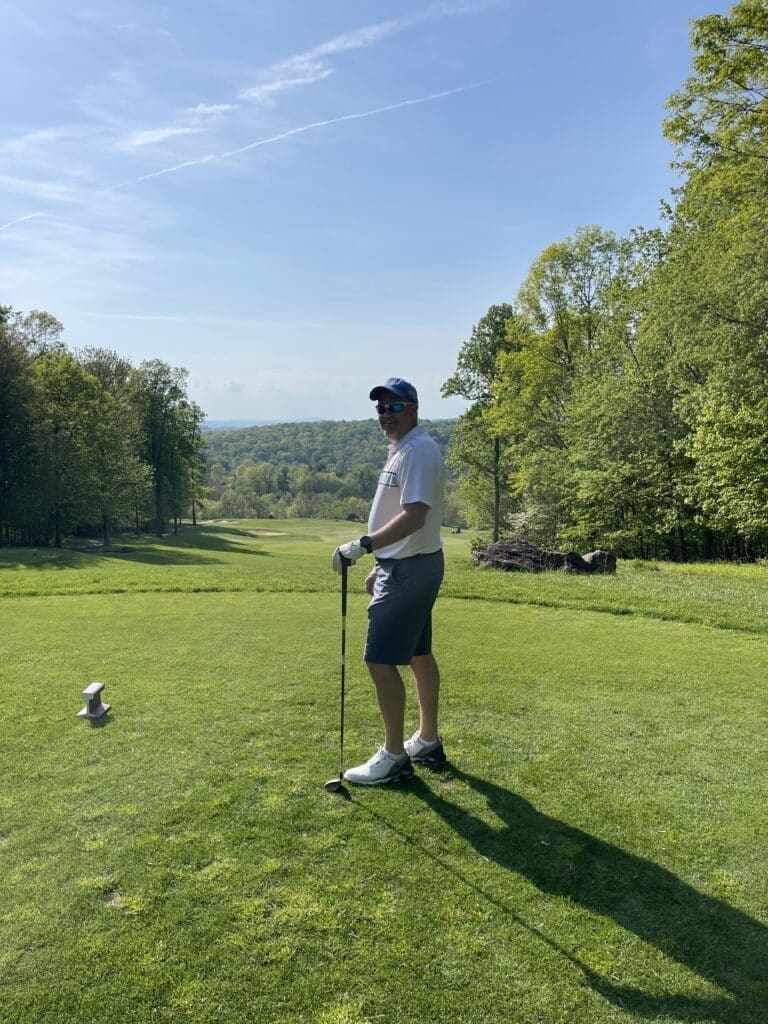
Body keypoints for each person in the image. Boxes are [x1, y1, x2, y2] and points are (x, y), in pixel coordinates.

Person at [331, 377, 446, 785]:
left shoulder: (417, 451)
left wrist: (364, 545)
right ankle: (427, 740)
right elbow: (408, 520)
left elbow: (414, 515)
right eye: (381, 408)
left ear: (413, 408)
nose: (386, 415)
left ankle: (395, 756)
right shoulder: (404, 450)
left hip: (411, 569)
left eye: (395, 407)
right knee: (417, 653)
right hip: (406, 565)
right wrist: (383, 562)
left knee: (378, 659)